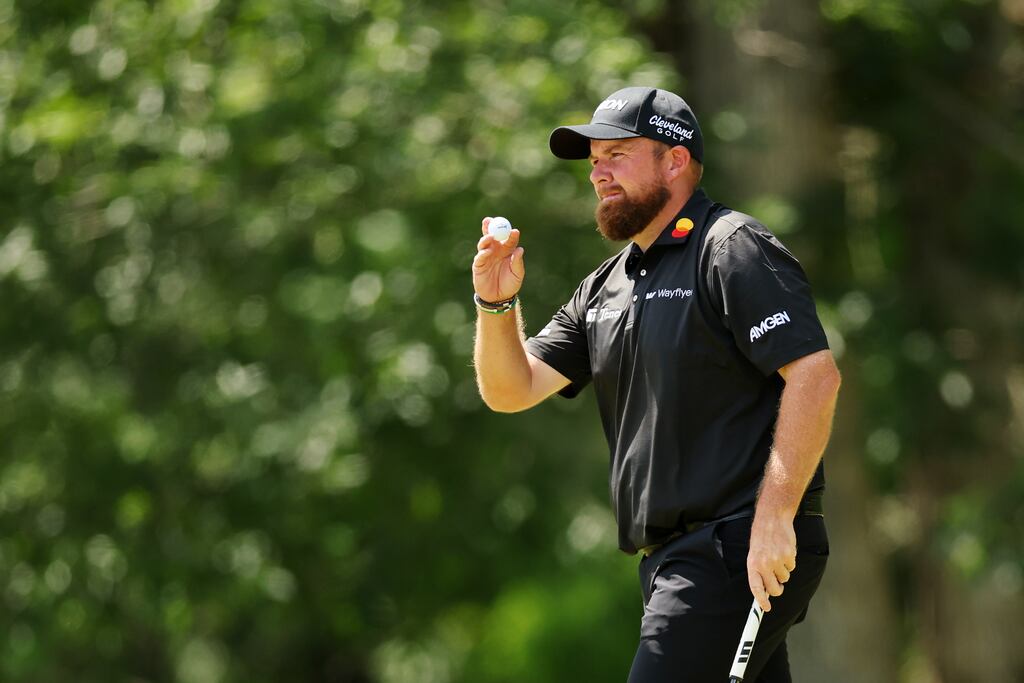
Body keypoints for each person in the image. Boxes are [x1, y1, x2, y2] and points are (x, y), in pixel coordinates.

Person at [471, 86, 841, 682]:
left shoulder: (730, 248)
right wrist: (495, 305)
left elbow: (815, 376)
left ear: (676, 160)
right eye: (594, 162)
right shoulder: (604, 286)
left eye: (617, 154)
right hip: (673, 562)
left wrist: (774, 517)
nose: (599, 174)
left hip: (734, 550)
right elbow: (511, 389)